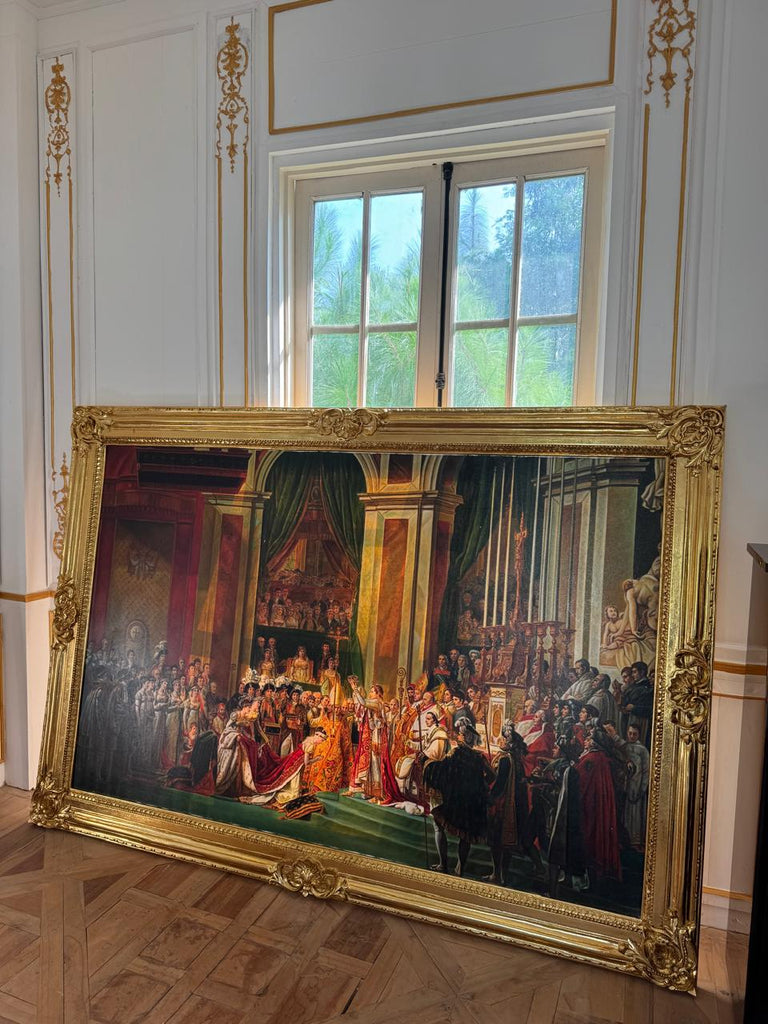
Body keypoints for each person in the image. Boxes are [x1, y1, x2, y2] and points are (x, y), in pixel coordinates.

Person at [424, 720, 495, 877]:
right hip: (473, 800)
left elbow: (441, 771)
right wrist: (479, 785)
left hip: (457, 800)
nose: (458, 736)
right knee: (466, 835)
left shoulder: (455, 753)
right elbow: (492, 775)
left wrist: (428, 764)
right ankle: (460, 869)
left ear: (466, 737)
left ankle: (443, 865)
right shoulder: (479, 757)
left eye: (461, 734)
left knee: (438, 823)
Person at [486, 722, 544, 884]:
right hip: (517, 805)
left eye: (504, 739)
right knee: (507, 843)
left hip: (504, 804)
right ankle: (502, 876)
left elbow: (500, 784)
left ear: (509, 743)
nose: (501, 741)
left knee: (497, 841)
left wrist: (489, 797)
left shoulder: (505, 759)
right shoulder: (516, 760)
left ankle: (497, 874)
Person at [349, 681, 402, 804]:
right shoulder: (376, 704)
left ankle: (379, 795)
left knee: (376, 765)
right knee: (372, 765)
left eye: (373, 691)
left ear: (379, 694)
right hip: (374, 735)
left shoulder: (377, 703)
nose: (371, 693)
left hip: (377, 738)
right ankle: (370, 791)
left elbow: (363, 702)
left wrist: (355, 689)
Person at [623, 724, 650, 848]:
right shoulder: (624, 747)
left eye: (634, 734)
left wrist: (643, 788)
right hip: (626, 787)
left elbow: (646, 770)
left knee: (637, 815)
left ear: (638, 735)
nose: (632, 736)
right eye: (630, 733)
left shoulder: (643, 750)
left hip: (638, 787)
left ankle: (636, 841)